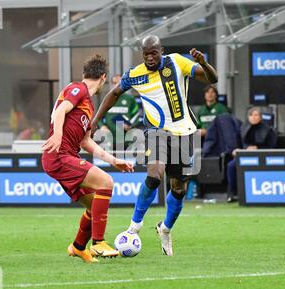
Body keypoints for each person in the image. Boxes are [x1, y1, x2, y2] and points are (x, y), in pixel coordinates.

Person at [91, 35, 218, 256]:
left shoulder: (177, 62)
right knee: (154, 175)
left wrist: (204, 63)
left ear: (161, 50)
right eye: (146, 54)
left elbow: (212, 79)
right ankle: (134, 228)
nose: (150, 57)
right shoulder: (135, 74)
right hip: (154, 131)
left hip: (184, 133)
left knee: (178, 190)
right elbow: (113, 94)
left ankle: (165, 229)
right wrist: (94, 122)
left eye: (154, 53)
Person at [41, 54, 134, 263]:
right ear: (103, 77)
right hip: (59, 156)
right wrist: (57, 134)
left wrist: (113, 160)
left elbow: (86, 142)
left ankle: (78, 247)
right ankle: (98, 243)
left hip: (64, 157)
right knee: (106, 182)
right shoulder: (78, 89)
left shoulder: (88, 105)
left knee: (94, 207)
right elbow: (60, 112)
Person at [226, 108, 276, 203]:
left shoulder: (268, 130)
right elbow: (238, 144)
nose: (253, 117)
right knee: (231, 166)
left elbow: (271, 147)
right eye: (251, 115)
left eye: (256, 115)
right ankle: (232, 193)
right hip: (245, 156)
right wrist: (236, 150)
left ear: (260, 117)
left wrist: (257, 148)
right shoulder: (243, 128)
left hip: (261, 157)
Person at [99, 74, 141, 147]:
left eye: (119, 83)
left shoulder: (130, 99)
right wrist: (102, 126)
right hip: (109, 139)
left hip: (127, 139)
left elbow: (136, 116)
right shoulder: (106, 99)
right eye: (114, 83)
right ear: (111, 84)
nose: (116, 85)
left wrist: (130, 126)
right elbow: (99, 117)